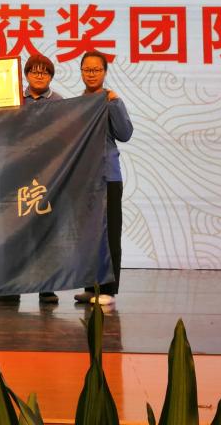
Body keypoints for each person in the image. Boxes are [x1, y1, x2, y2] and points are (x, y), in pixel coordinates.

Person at [0, 53, 62, 306]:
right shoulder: (12, 98)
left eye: (45, 72)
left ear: (51, 76)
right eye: (34, 71)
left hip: (46, 175)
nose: (39, 76)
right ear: (26, 74)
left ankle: (47, 287)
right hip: (13, 173)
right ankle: (9, 287)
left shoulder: (60, 102)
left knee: (44, 231)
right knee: (11, 231)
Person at [74, 50, 133, 306]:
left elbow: (125, 133)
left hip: (107, 177)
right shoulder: (77, 105)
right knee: (88, 235)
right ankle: (92, 287)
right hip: (84, 179)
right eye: (87, 69)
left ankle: (108, 289)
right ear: (81, 72)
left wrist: (115, 103)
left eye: (96, 70)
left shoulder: (111, 101)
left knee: (109, 233)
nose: (91, 74)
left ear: (105, 72)